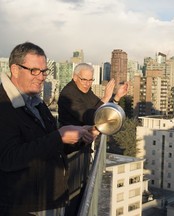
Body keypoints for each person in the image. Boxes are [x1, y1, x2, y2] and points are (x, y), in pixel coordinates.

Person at [0, 42, 98, 216]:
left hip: (51, 200)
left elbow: (52, 145)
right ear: (15, 70)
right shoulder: (4, 105)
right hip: (25, 208)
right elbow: (8, 158)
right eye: (34, 71)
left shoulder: (36, 103)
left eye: (44, 71)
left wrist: (81, 136)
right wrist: (58, 137)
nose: (41, 77)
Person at [57, 63, 129, 215]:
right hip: (69, 153)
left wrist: (116, 97)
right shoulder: (68, 95)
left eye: (90, 80)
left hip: (82, 148)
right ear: (74, 77)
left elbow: (101, 110)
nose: (87, 84)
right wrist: (106, 97)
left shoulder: (86, 91)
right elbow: (91, 116)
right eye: (84, 80)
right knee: (71, 197)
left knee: (81, 189)